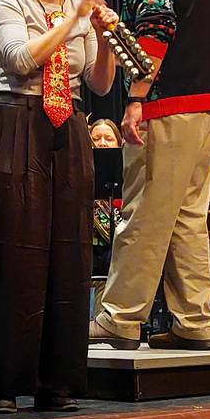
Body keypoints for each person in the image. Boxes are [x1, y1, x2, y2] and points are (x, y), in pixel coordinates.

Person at [0, 0, 118, 414]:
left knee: (68, 254)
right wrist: (74, 17)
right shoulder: (9, 1)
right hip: (20, 122)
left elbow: (100, 83)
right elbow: (21, 59)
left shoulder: (75, 10)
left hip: (70, 127)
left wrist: (102, 36)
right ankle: (5, 383)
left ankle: (56, 382)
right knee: (19, 254)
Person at [89, 0, 210, 351]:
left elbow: (154, 31)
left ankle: (119, 317)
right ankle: (195, 321)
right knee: (187, 218)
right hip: (209, 108)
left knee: (142, 213)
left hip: (168, 109)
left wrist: (136, 99)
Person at [89, 119, 122, 318]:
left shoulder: (127, 177)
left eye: (108, 138)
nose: (102, 143)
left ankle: (110, 320)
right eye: (96, 139)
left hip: (116, 244)